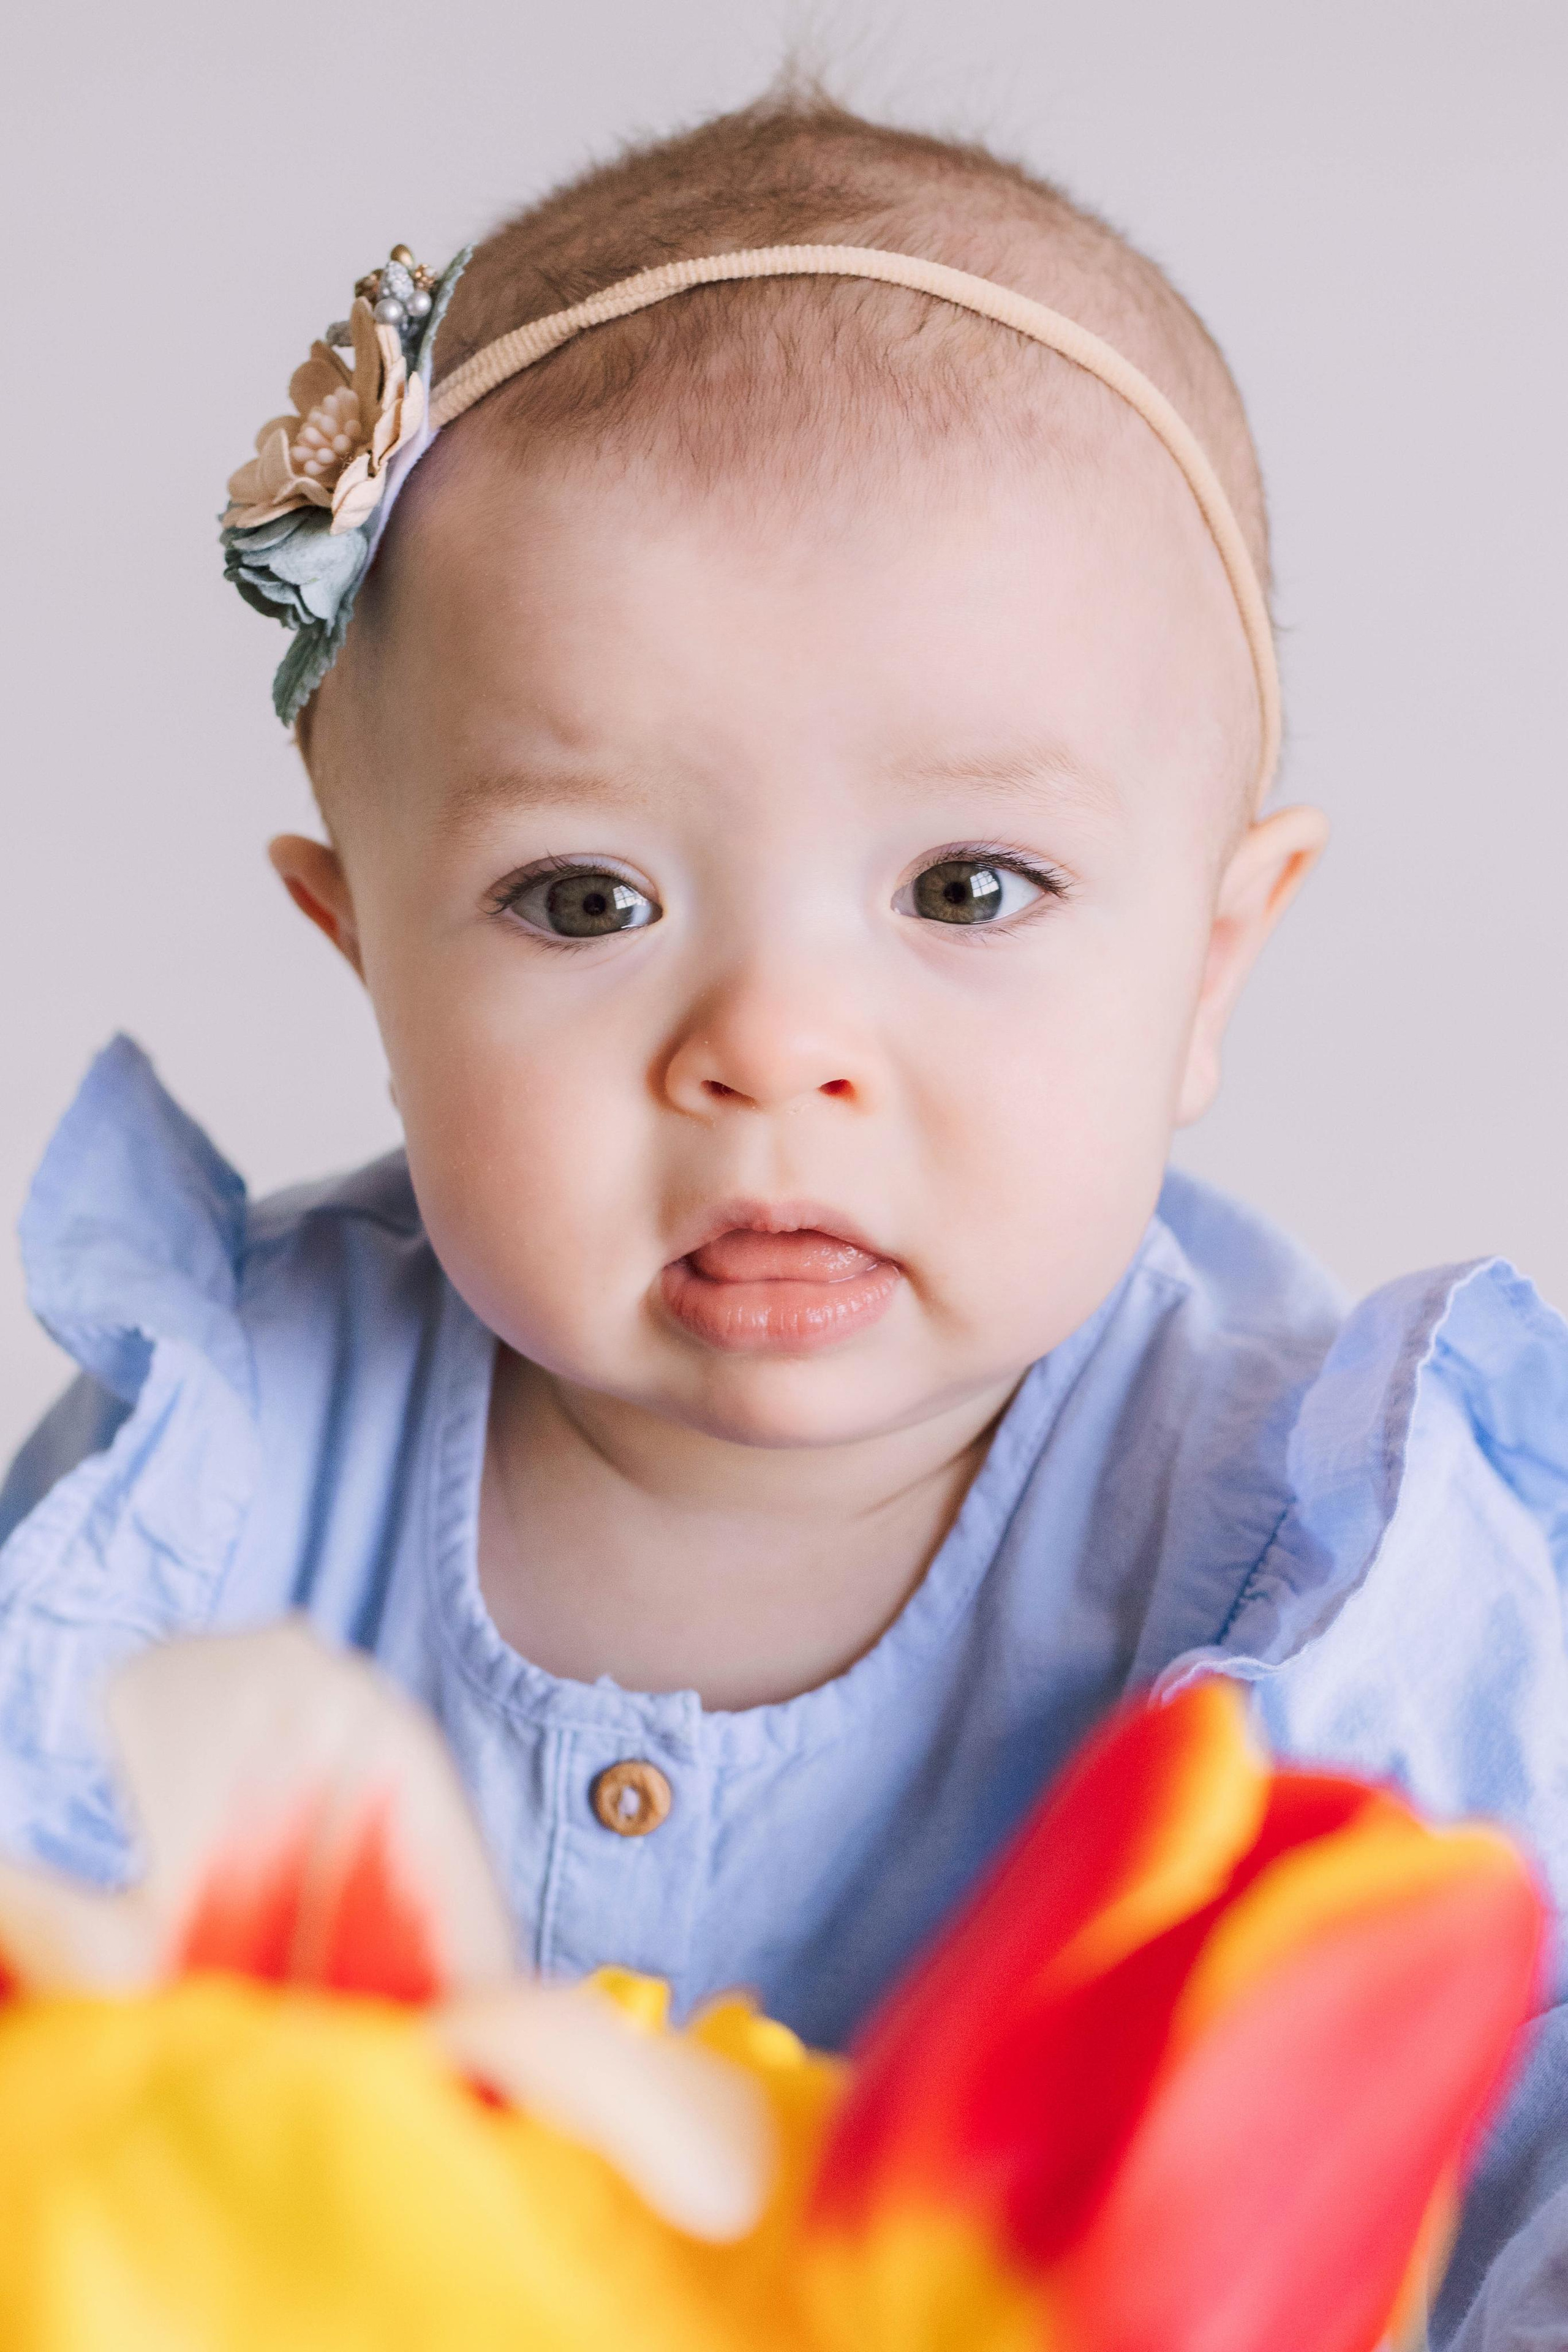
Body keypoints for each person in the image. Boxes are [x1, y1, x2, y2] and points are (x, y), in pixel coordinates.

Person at [4, 88, 1566, 2340]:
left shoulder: (1337, 1585)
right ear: (365, 961)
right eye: (584, 897)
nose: (772, 1046)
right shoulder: (202, 1479)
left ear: (1212, 963)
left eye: (967, 887)